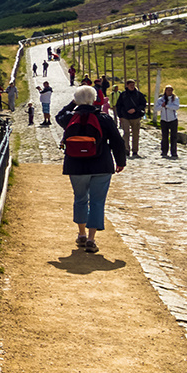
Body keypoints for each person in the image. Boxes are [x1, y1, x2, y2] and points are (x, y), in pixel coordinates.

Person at [56, 85, 128, 254]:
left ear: (76, 100)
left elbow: (58, 115)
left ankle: (81, 234)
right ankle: (91, 239)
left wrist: (72, 103)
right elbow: (118, 142)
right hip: (101, 165)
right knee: (97, 201)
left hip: (75, 165)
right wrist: (120, 161)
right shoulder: (104, 119)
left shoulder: (69, 117)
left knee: (80, 198)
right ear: (95, 99)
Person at [115, 79, 148, 158]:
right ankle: (126, 149)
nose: (132, 86)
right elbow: (118, 105)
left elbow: (143, 104)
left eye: (133, 85)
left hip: (136, 117)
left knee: (135, 134)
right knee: (126, 133)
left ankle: (135, 150)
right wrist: (120, 116)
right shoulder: (123, 95)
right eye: (130, 85)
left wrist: (135, 109)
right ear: (127, 85)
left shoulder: (139, 94)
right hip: (125, 117)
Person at [154, 84, 180, 158]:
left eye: (171, 90)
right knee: (164, 136)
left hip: (173, 119)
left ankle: (174, 152)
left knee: (173, 137)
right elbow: (156, 108)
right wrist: (162, 106)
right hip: (164, 120)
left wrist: (167, 106)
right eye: (168, 90)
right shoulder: (161, 99)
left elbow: (176, 107)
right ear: (165, 91)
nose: (170, 91)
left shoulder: (175, 98)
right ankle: (164, 151)